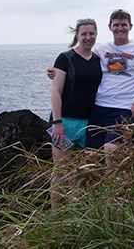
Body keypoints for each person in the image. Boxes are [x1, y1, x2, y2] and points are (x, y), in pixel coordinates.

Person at [86, 9, 134, 152]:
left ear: (130, 26)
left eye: (124, 25)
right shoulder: (101, 49)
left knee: (111, 149)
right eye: (116, 25)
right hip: (100, 106)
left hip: (125, 108)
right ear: (110, 27)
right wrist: (57, 70)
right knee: (91, 153)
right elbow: (81, 61)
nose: (120, 28)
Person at [50, 18, 102, 208]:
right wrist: (57, 122)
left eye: (91, 33)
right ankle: (55, 216)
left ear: (96, 35)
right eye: (84, 34)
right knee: (61, 171)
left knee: (80, 173)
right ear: (77, 36)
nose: (88, 37)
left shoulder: (98, 60)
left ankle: (74, 215)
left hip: (87, 122)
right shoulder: (65, 58)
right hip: (64, 122)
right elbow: (56, 90)